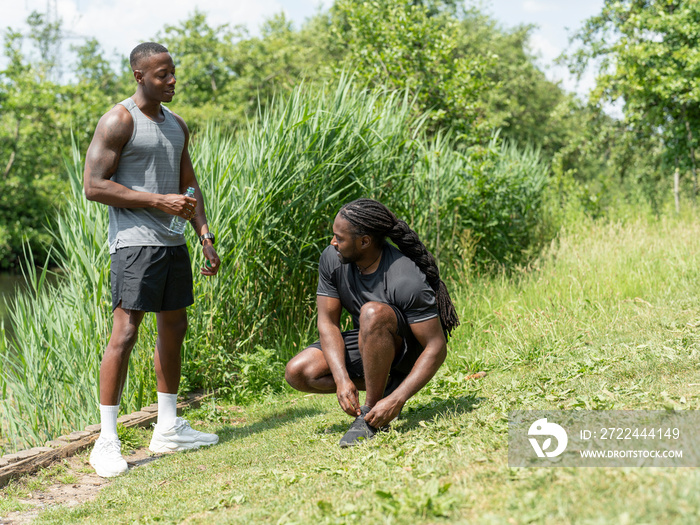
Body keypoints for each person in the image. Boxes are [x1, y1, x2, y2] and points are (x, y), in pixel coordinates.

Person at [83, 42, 221, 477]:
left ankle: (168, 428)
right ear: (139, 77)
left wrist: (204, 234)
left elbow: (189, 184)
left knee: (175, 327)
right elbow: (93, 186)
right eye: (162, 75)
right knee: (124, 334)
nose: (172, 80)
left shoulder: (177, 123)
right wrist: (157, 201)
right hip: (134, 242)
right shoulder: (119, 119)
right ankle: (106, 441)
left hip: (173, 243)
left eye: (173, 72)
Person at [285, 198, 459, 447]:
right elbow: (327, 323)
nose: (333, 242)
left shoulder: (405, 277)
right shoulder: (332, 259)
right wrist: (342, 379)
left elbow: (436, 346)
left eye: (339, 238)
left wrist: (398, 399)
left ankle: (372, 414)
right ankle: (386, 384)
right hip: (372, 343)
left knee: (371, 314)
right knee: (299, 372)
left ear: (364, 241)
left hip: (408, 354)